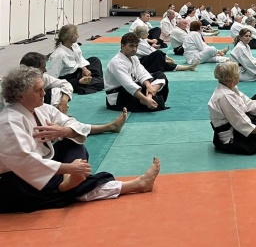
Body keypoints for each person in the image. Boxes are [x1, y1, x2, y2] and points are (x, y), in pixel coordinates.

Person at [0, 66, 160, 213]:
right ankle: (133, 185)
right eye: (38, 90)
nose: (44, 93)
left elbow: (73, 123)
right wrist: (69, 168)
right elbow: (26, 161)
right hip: (16, 181)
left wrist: (65, 131)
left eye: (43, 88)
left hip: (44, 168)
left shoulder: (40, 108)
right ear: (21, 95)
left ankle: (68, 181)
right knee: (72, 189)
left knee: (73, 142)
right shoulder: (9, 122)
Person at [15, 53, 128, 134]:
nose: (45, 70)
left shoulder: (42, 77)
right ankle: (108, 127)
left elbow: (65, 84)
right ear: (31, 70)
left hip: (44, 109)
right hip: (29, 120)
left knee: (94, 62)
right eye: (42, 68)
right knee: (56, 93)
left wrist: (64, 101)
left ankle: (108, 127)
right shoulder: (17, 92)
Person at [105, 33, 170, 112]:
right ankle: (148, 99)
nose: (134, 49)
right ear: (123, 45)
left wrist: (148, 86)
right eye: (131, 46)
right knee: (157, 102)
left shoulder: (134, 58)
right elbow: (128, 85)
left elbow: (142, 73)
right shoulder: (117, 63)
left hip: (134, 88)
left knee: (160, 75)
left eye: (136, 46)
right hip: (119, 95)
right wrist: (145, 100)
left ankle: (149, 96)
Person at [45, 24, 104, 95]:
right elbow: (51, 76)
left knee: (95, 60)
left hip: (78, 70)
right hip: (70, 78)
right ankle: (85, 83)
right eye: (76, 34)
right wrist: (78, 81)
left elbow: (80, 59)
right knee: (100, 83)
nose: (78, 36)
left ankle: (91, 80)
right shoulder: (58, 55)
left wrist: (84, 69)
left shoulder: (74, 45)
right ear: (70, 37)